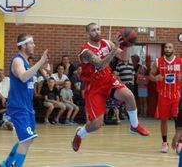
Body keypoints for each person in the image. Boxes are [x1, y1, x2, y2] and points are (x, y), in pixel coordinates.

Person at [71, 23, 150, 152]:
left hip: (108, 80)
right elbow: (101, 64)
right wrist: (115, 48)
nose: (96, 32)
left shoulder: (106, 43)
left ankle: (134, 126)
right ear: (88, 33)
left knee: (129, 96)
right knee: (97, 124)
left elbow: (124, 57)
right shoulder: (85, 51)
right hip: (94, 86)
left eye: (98, 29)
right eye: (93, 30)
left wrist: (127, 44)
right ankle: (80, 134)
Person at [0, 33, 48, 167]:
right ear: (23, 45)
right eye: (31, 43)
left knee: (27, 140)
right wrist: (40, 63)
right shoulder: (17, 60)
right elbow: (23, 77)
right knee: (26, 140)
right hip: (18, 106)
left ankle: (6, 163)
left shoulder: (26, 62)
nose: (34, 45)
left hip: (27, 106)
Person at [149, 42, 182, 153]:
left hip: (176, 96)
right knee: (164, 120)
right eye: (166, 47)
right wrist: (155, 78)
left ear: (173, 49)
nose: (167, 49)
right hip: (163, 96)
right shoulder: (158, 61)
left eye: (170, 47)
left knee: (178, 120)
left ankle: (179, 143)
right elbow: (150, 75)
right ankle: (164, 143)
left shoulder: (180, 61)